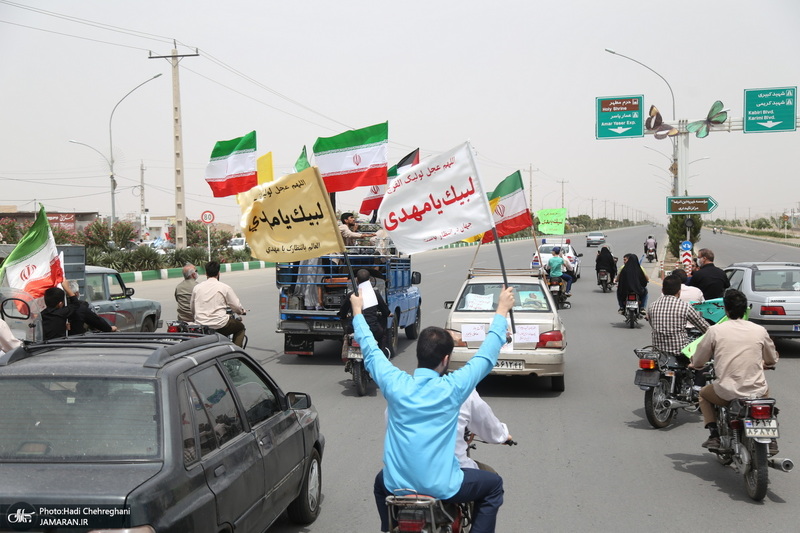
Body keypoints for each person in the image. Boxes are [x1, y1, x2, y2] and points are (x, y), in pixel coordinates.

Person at [353, 286, 514, 533]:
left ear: (418, 355)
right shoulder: (454, 387)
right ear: (446, 360)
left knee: (379, 483)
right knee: (494, 485)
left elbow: (370, 350)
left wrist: (357, 311)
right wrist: (502, 309)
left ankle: (387, 528)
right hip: (444, 487)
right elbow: (486, 356)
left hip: (397, 486)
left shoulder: (395, 383)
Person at [690, 289, 779, 451]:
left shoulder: (715, 331)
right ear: (745, 310)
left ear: (725, 310)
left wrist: (695, 364)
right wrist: (766, 363)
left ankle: (714, 436)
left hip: (726, 392)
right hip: (755, 391)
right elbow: (771, 359)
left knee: (703, 394)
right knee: (765, 393)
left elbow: (699, 359)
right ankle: (771, 438)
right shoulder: (759, 330)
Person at [647, 274, 708, 358]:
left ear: (662, 290)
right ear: (679, 292)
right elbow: (703, 326)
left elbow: (652, 324)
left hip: (659, 352)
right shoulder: (684, 306)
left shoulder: (652, 306)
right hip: (680, 353)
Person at [190, 261, 247, 347]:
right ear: (218, 273)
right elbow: (236, 306)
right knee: (240, 327)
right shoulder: (224, 287)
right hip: (220, 325)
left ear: (206, 274)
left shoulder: (197, 288)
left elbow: (192, 308)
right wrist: (241, 311)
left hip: (201, 325)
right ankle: (236, 353)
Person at [337, 269, 391, 355]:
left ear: (356, 280)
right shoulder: (375, 294)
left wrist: (343, 316)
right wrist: (387, 314)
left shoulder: (351, 295)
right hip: (372, 329)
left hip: (353, 328)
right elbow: (384, 310)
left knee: (346, 334)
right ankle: (380, 355)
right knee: (382, 336)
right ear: (369, 280)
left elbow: (343, 311)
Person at [457, 389, 511, 471]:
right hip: (453, 468)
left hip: (431, 466)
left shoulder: (430, 390)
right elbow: (491, 429)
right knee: (494, 478)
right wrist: (504, 436)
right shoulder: (465, 391)